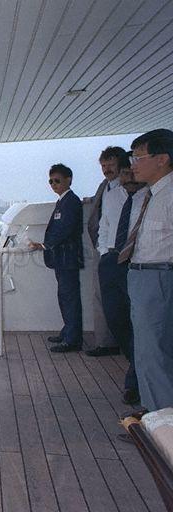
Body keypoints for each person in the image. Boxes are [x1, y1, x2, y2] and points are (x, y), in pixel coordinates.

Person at [121, 129, 173, 411]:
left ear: (162, 159)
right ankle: (155, 415)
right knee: (146, 352)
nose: (132, 164)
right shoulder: (149, 195)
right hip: (142, 275)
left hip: (160, 277)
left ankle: (162, 429)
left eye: (138, 157)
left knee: (154, 354)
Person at [97, 160, 145, 404]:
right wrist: (104, 252)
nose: (129, 176)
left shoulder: (150, 197)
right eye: (126, 173)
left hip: (137, 263)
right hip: (111, 259)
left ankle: (135, 381)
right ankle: (136, 363)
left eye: (132, 171)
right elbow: (104, 224)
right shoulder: (113, 196)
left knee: (141, 324)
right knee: (116, 318)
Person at [30, 164, 84, 353]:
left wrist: (43, 245)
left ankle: (73, 339)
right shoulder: (63, 201)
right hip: (62, 259)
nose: (53, 184)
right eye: (50, 181)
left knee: (70, 298)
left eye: (57, 180)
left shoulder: (71, 201)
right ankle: (68, 331)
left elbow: (65, 229)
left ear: (68, 180)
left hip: (67, 258)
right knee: (64, 297)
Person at [84, 147, 126, 356]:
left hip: (120, 252)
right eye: (103, 166)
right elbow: (104, 219)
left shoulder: (128, 190)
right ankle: (107, 342)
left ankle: (115, 343)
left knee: (118, 301)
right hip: (103, 250)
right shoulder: (106, 187)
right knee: (101, 298)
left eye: (110, 165)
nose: (106, 169)